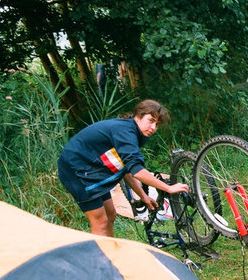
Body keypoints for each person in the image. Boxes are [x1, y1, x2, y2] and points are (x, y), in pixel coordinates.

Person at [58, 99, 188, 236]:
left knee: (111, 214)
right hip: (75, 170)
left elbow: (127, 169)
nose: (154, 128)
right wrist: (168, 188)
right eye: (151, 120)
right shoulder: (125, 131)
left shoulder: (136, 133)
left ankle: (111, 252)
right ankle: (99, 257)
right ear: (138, 116)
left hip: (91, 167)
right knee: (100, 221)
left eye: (157, 124)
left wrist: (143, 196)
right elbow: (137, 171)